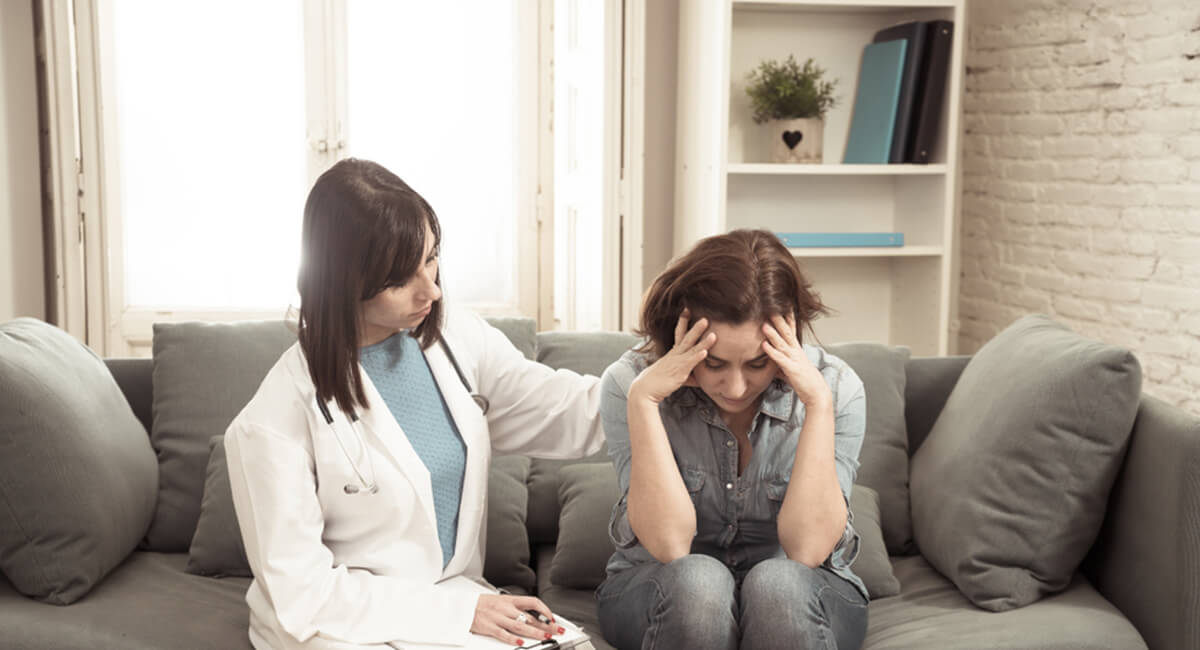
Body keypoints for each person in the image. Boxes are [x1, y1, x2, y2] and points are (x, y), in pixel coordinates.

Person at [224, 158, 603, 649]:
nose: (432, 289)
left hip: (447, 600)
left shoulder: (453, 338)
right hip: (336, 622)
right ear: (344, 282)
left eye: (430, 258)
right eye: (400, 279)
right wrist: (462, 611)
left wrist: (651, 381)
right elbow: (303, 592)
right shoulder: (272, 422)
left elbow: (561, 409)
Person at [595, 229, 869, 650]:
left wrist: (817, 404)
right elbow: (670, 545)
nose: (737, 387)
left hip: (800, 594)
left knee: (777, 585)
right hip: (666, 590)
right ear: (679, 337)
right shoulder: (630, 384)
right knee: (699, 582)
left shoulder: (835, 387)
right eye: (715, 363)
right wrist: (645, 402)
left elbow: (808, 550)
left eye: (759, 363)